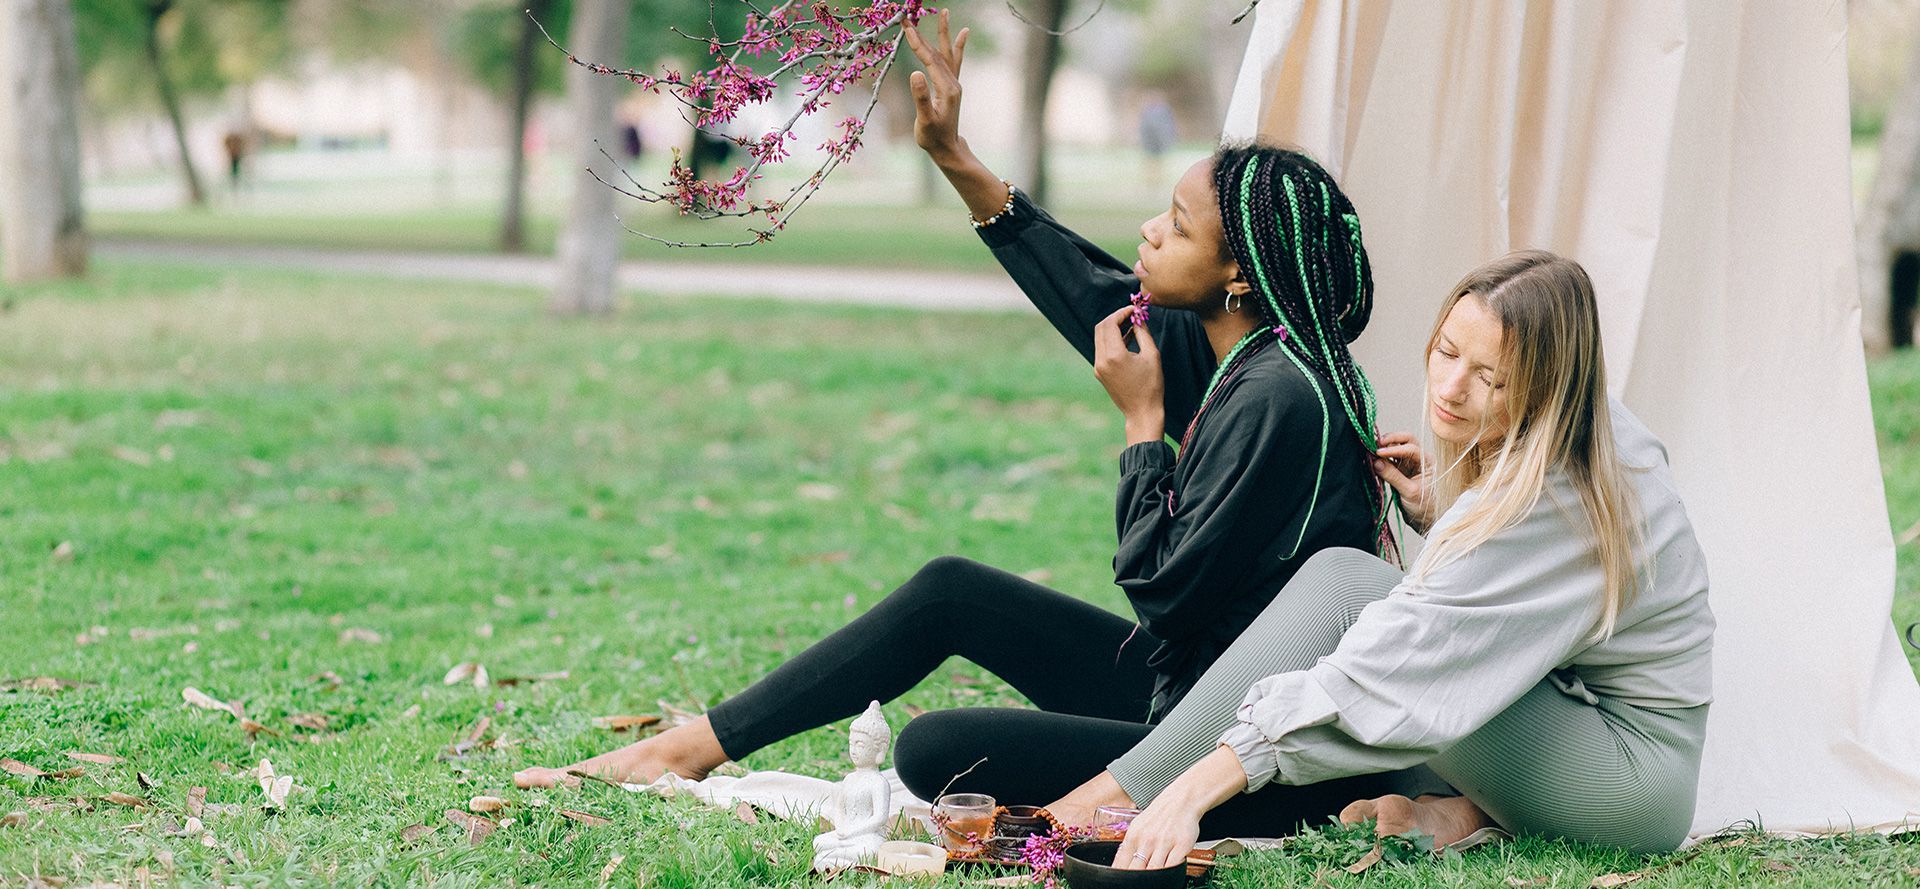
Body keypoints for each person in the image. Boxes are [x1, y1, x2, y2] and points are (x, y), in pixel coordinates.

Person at [512, 12, 1392, 831]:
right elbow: (1089, 295)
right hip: (1187, 687)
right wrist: (953, 153)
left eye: (1177, 224)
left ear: (1237, 269)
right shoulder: (1255, 349)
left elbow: (1161, 591)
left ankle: (684, 750)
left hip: (1243, 751)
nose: (1148, 231)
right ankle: (685, 747)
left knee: (937, 752)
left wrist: (1142, 426)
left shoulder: (1279, 394)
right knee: (952, 591)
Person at [1072, 250, 1714, 869]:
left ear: (1548, 384)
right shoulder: (1591, 422)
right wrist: (1447, 513)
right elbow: (1547, 590)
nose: (1452, 388)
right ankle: (1468, 813)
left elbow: (1391, 670)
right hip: (1579, 724)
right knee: (1357, 591)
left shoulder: (1555, 498)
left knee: (1348, 586)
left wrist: (1190, 793)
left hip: (1626, 784)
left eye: (1490, 378)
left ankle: (1114, 797)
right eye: (1447, 351)